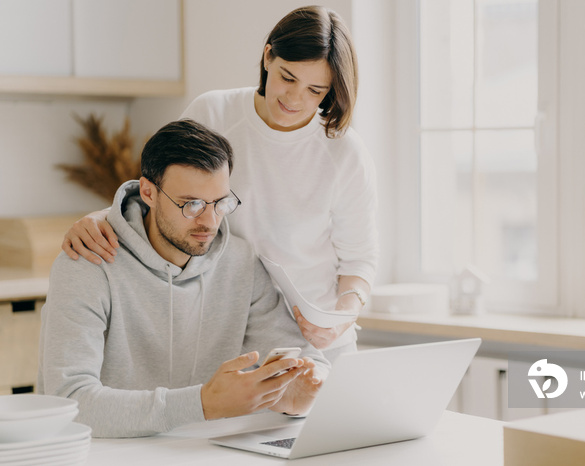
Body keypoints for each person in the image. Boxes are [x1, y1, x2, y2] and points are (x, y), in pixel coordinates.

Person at [61, 5, 379, 362]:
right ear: (268, 55)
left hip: (318, 346)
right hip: (225, 337)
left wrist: (341, 317)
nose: (294, 99)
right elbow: (165, 193)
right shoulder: (214, 113)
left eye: (315, 90)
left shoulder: (344, 152)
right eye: (287, 78)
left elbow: (359, 261)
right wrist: (102, 220)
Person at [38, 119, 329, 438]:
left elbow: (305, 360)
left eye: (220, 203)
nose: (209, 221)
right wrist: (202, 405)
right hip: (107, 454)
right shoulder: (88, 262)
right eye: (191, 204)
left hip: (206, 452)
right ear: (148, 191)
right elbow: (70, 403)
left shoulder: (240, 261)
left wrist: (297, 398)